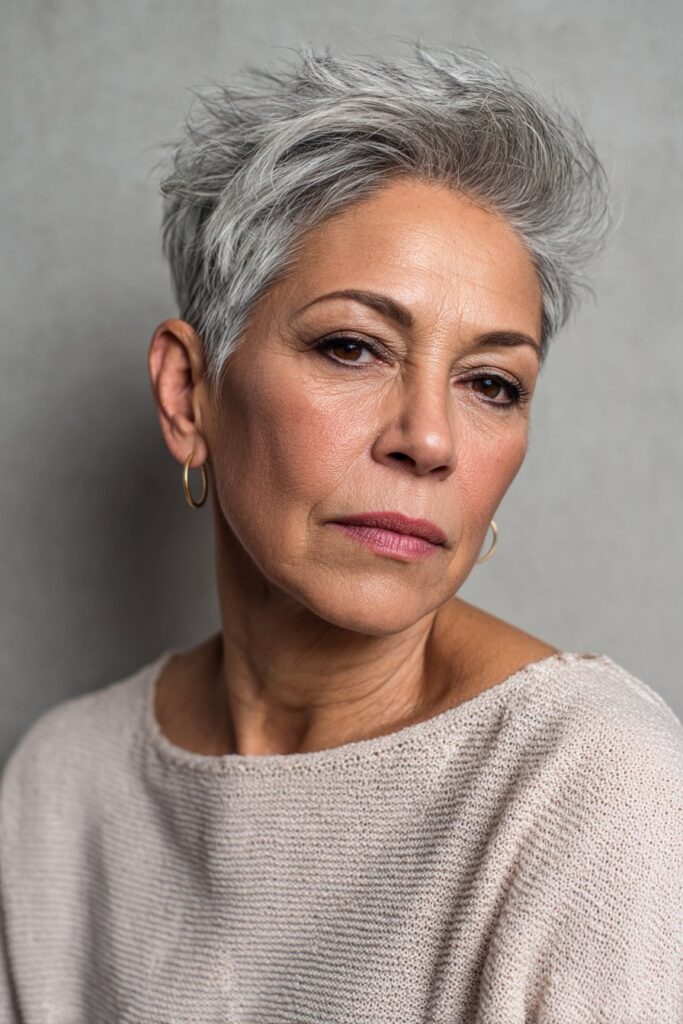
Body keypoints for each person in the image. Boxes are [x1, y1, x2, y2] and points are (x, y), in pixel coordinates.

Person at [1, 39, 681, 1024]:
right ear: (190, 393)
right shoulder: (60, 791)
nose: (430, 439)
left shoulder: (593, 785)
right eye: (352, 347)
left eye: (491, 382)